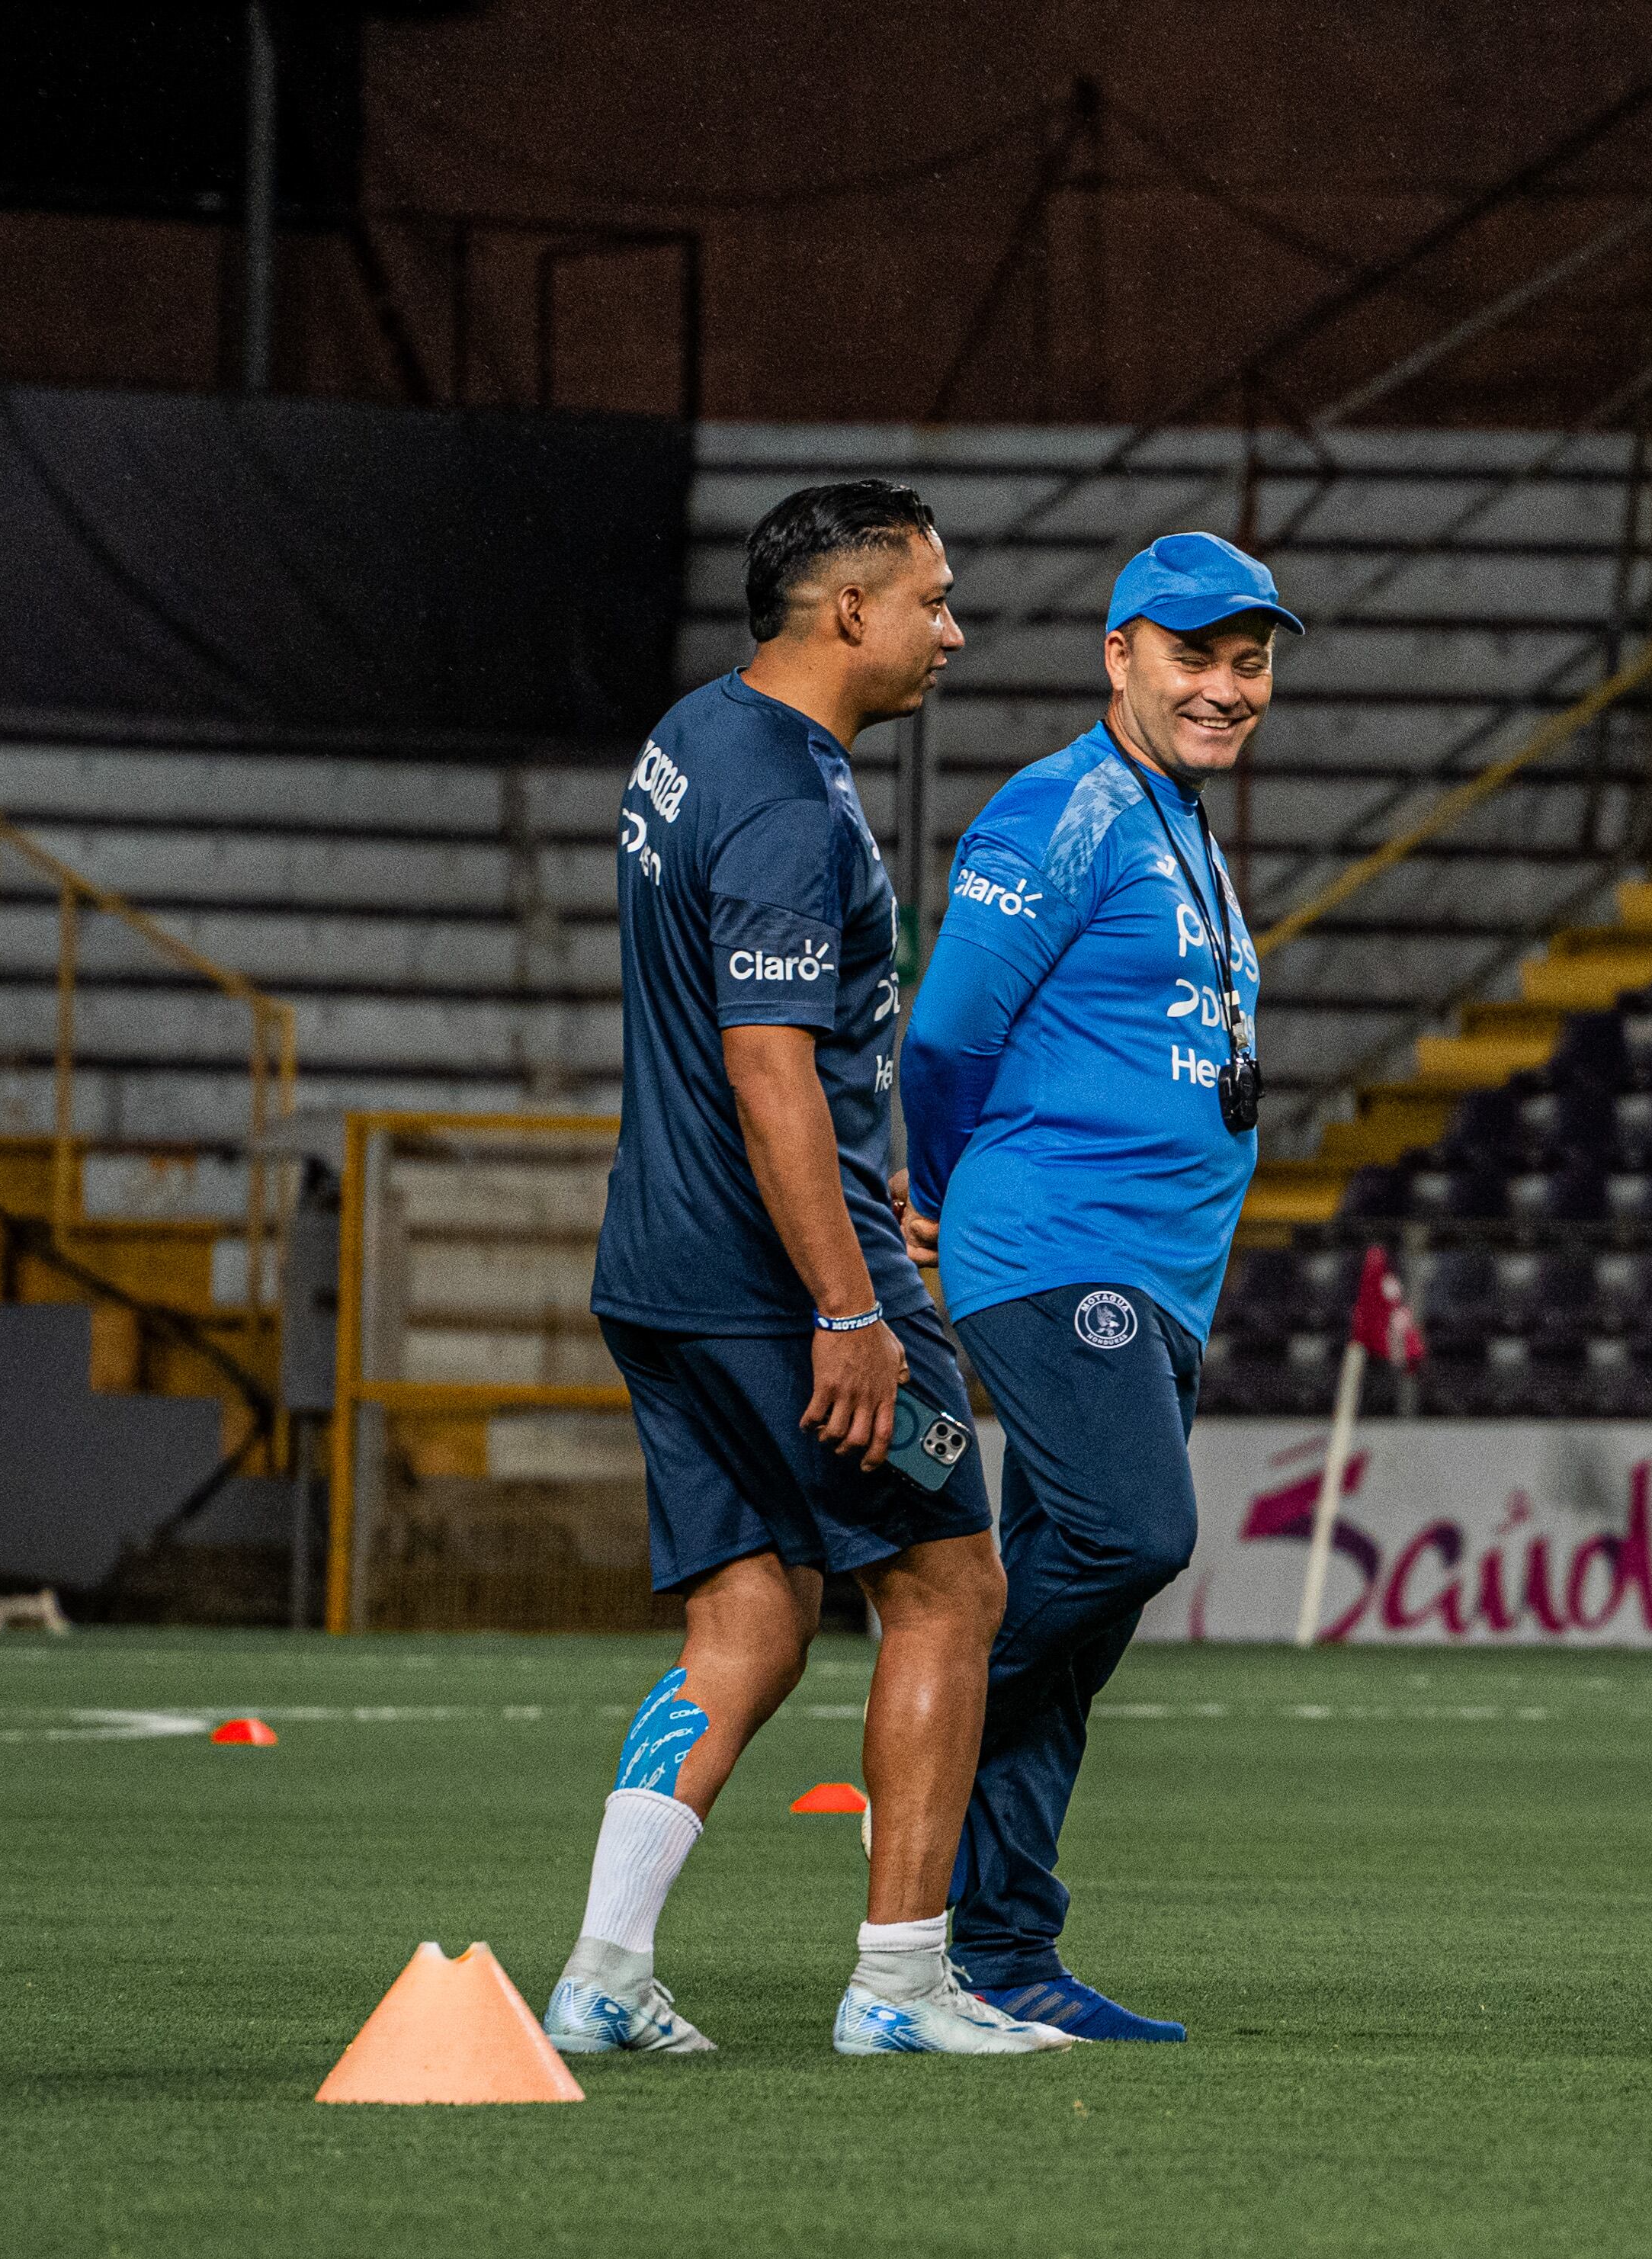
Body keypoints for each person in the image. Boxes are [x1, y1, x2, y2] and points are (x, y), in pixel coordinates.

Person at [544, 480, 1070, 2059]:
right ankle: (903, 1987)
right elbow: (768, 1063)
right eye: (932, 598)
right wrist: (848, 1302)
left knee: (749, 1624)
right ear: (849, 611)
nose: (951, 630)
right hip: (776, 1281)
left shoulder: (691, 735)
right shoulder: (785, 796)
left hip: (656, 1261)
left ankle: (603, 1975)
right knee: (949, 1585)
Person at [893, 531, 1297, 2042]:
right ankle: (921, 1734)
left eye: (1249, 660)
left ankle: (997, 1952)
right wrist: (933, 1197)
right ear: (1116, 654)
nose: (1226, 686)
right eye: (1194, 654)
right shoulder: (1059, 810)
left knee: (1076, 1641)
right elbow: (944, 1037)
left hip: (1150, 1272)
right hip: (1058, 1249)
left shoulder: (1171, 819)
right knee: (1133, 1535)